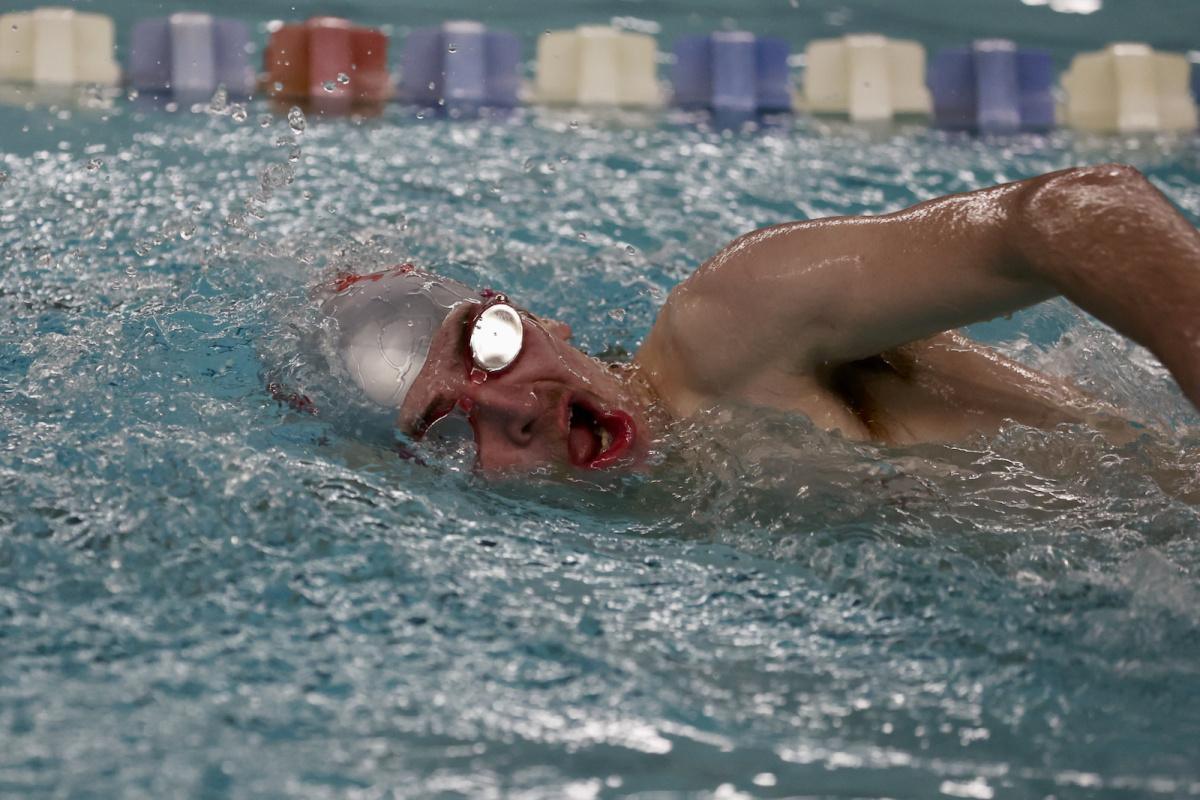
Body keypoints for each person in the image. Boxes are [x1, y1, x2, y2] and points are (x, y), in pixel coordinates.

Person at [319, 164, 1200, 473]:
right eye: (447, 434)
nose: (511, 403)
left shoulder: (731, 325)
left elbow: (1076, 211)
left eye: (489, 344)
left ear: (540, 319)